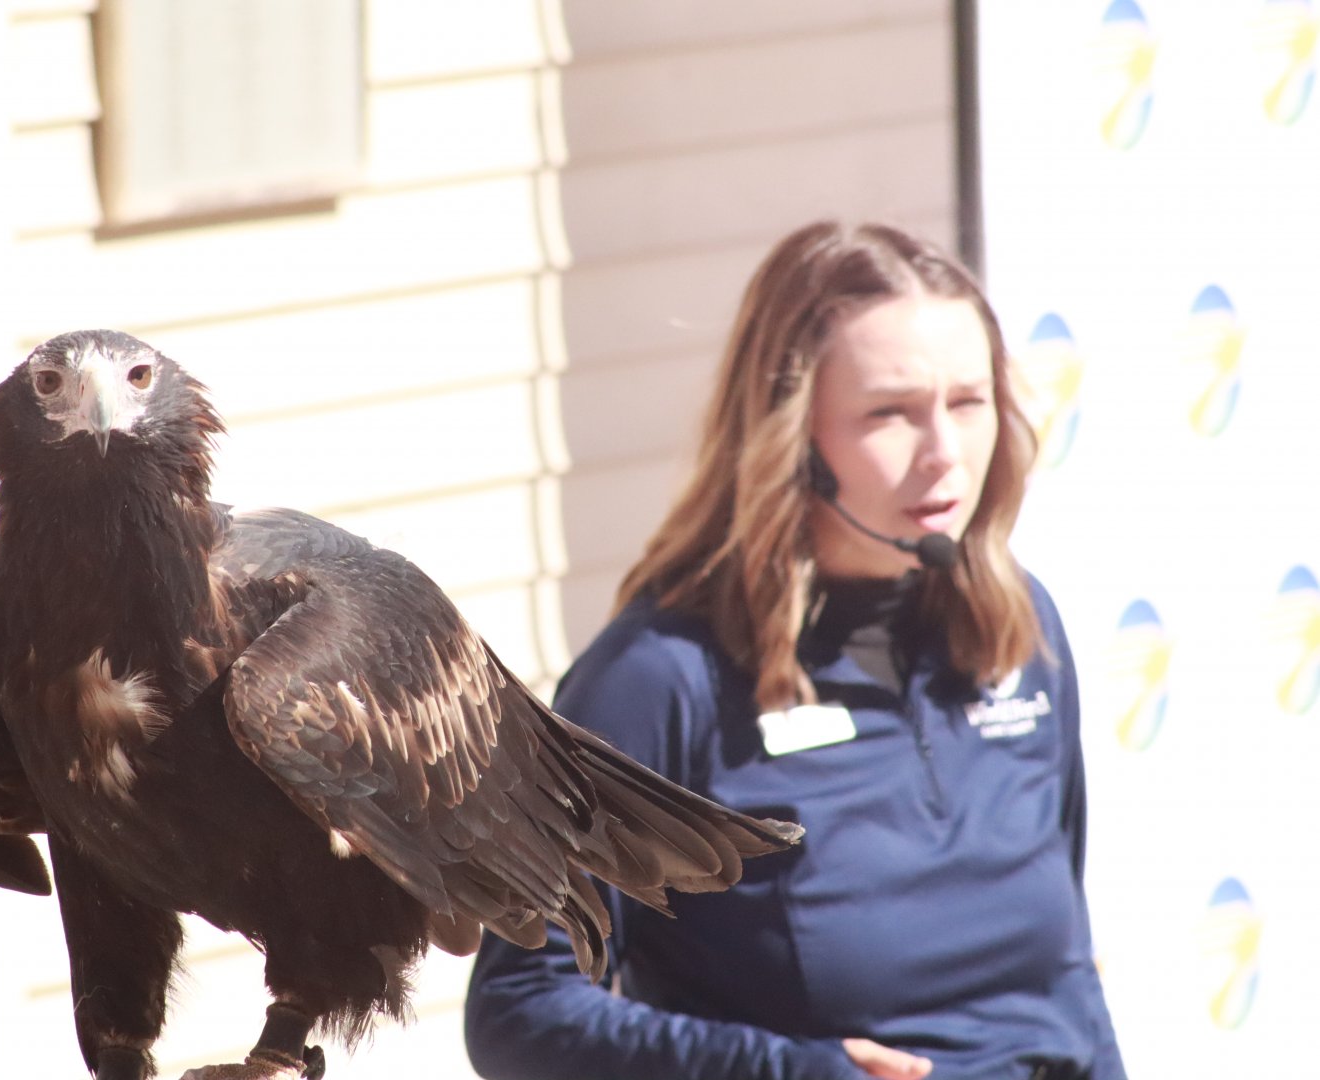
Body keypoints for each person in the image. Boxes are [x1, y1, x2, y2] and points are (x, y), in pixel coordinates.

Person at [462, 221, 1125, 1080]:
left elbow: (1066, 975)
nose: (944, 456)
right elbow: (521, 1014)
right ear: (792, 440)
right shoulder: (660, 679)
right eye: (889, 413)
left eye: (968, 403)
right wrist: (791, 1072)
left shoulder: (1021, 624)